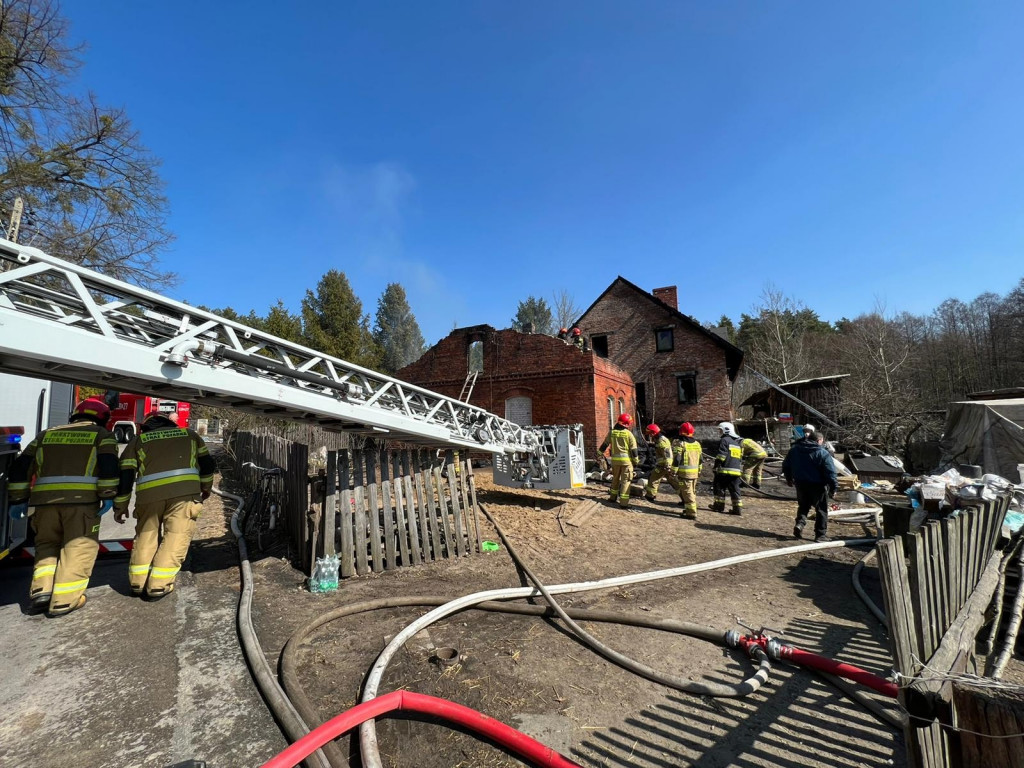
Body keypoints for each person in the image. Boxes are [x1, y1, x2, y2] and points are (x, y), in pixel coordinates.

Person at [6, 398, 119, 615]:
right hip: (82, 504)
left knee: (47, 544)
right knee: (78, 547)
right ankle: (65, 600)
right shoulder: (101, 435)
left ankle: (41, 590)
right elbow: (108, 466)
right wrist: (108, 496)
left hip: (44, 505)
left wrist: (18, 498)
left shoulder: (45, 435)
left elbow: (21, 468)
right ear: (103, 419)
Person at [114, 411, 216, 600]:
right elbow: (208, 465)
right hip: (184, 496)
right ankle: (158, 585)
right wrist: (206, 487)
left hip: (148, 498)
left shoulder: (139, 441)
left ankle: (137, 583)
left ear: (148, 426)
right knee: (175, 537)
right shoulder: (190, 436)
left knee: (145, 536)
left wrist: (121, 505)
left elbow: (126, 475)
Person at [782, 424, 837, 542]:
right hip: (817, 485)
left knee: (803, 506)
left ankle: (800, 525)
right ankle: (820, 535)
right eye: (822, 441)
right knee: (821, 509)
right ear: (819, 440)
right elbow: (831, 473)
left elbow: (786, 465)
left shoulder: (795, 449)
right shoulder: (822, 453)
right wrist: (833, 488)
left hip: (800, 484)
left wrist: (789, 479)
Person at [598, 413, 638, 507]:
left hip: (615, 462)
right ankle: (623, 503)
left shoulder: (612, 433)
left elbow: (605, 444)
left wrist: (599, 454)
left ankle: (613, 497)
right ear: (627, 424)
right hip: (626, 462)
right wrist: (636, 461)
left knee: (615, 479)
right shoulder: (629, 434)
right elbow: (634, 450)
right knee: (625, 481)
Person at [711, 421, 743, 515]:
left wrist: (716, 466)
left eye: (720, 430)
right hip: (736, 471)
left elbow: (721, 455)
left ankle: (719, 506)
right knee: (735, 490)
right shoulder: (736, 443)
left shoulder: (724, 440)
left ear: (726, 430)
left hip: (725, 471)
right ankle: (737, 509)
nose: (719, 433)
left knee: (719, 488)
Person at [642, 424, 680, 502]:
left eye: (650, 434)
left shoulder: (662, 440)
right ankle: (685, 497)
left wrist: (668, 466)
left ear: (653, 432)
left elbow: (667, 454)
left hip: (663, 466)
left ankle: (650, 496)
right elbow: (660, 448)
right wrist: (652, 445)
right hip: (664, 465)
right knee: (673, 481)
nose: (650, 435)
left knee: (653, 478)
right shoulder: (659, 439)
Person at [672, 422, 702, 520]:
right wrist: (699, 470)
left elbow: (677, 459)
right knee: (692, 492)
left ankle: (691, 513)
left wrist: (673, 470)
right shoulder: (697, 444)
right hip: (695, 473)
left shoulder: (681, 444)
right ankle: (688, 509)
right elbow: (701, 459)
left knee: (687, 493)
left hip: (685, 474)